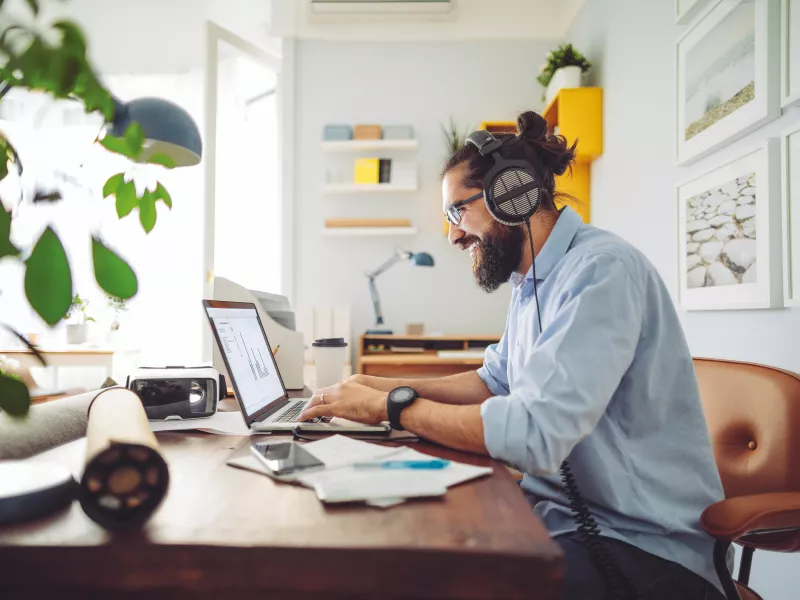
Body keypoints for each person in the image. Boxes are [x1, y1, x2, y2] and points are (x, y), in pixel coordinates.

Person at [299, 110, 727, 600]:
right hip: (561, 520)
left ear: (511, 194)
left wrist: (391, 407)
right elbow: (493, 382)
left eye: (457, 213)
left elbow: (532, 435)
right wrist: (379, 386)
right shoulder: (531, 282)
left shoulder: (601, 272)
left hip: (642, 548)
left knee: (438, 580)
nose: (453, 236)